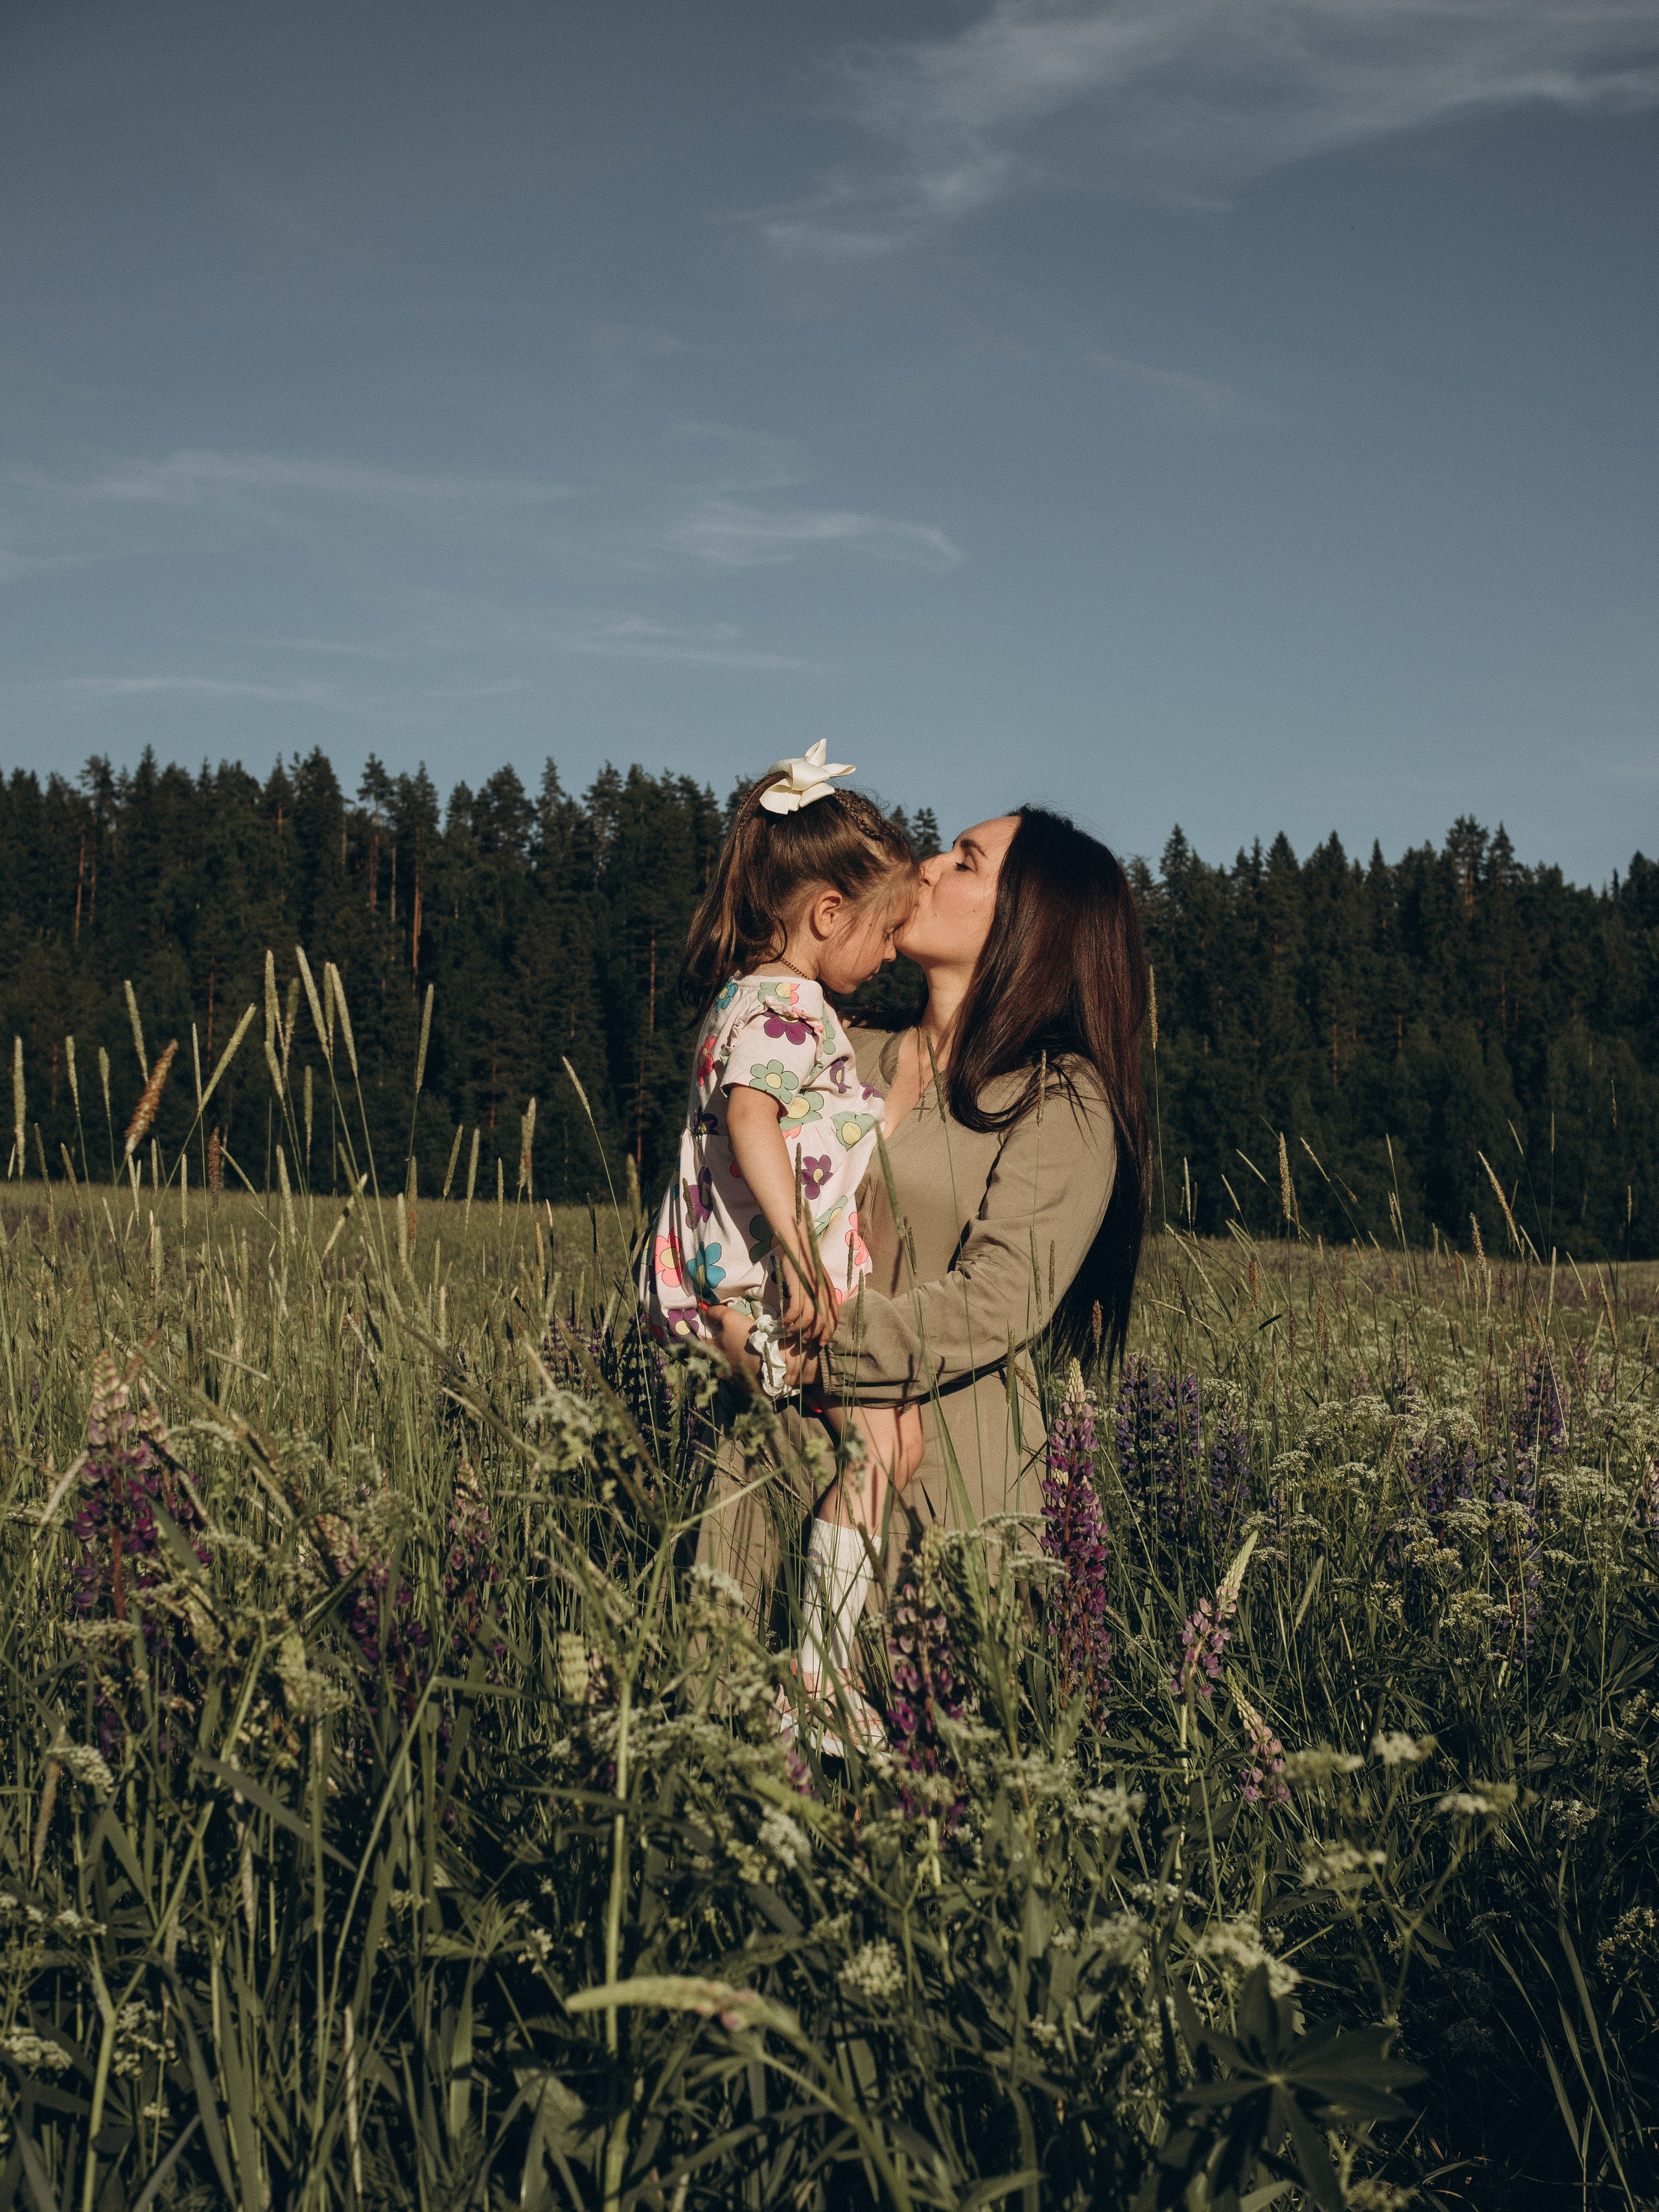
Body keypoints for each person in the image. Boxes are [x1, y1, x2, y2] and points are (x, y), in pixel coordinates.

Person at [700, 805, 1150, 1631]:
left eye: (967, 862)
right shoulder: (840, 1044)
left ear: (1033, 925)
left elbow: (999, 1297)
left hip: (939, 1489)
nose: (930, 867)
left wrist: (795, 1350)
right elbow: (715, 1197)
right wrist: (710, 1320)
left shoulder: (1059, 1098)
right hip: (770, 1459)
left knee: (892, 1731)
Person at [642, 741, 927, 1701]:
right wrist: (804, 1265)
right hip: (767, 1293)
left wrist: (894, 1104)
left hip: (752, 1291)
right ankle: (822, 1675)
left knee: (889, 1443)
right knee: (884, 1447)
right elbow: (755, 1118)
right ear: (826, 914)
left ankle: (813, 1668)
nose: (891, 953)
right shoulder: (785, 1007)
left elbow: (818, 1135)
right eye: (884, 933)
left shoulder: (756, 1000)